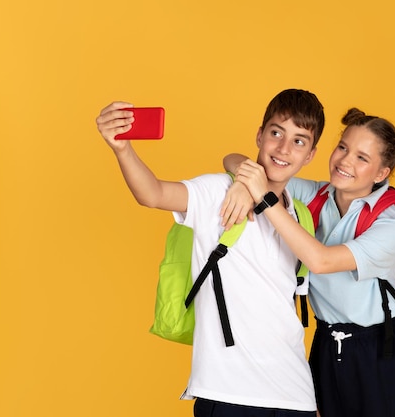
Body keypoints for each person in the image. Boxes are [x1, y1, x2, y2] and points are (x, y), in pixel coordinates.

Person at [95, 89, 325, 417]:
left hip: (295, 396)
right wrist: (122, 149)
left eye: (299, 141)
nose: (284, 149)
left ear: (311, 155)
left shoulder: (300, 215)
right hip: (227, 391)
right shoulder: (218, 191)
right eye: (276, 133)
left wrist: (309, 402)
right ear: (259, 136)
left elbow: (282, 310)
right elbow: (153, 193)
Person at [222, 108, 395, 417]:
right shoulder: (316, 194)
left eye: (362, 158)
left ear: (381, 173)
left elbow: (320, 261)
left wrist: (262, 196)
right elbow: (241, 161)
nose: (345, 161)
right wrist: (243, 184)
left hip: (381, 350)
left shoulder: (391, 226)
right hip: (328, 346)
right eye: (343, 148)